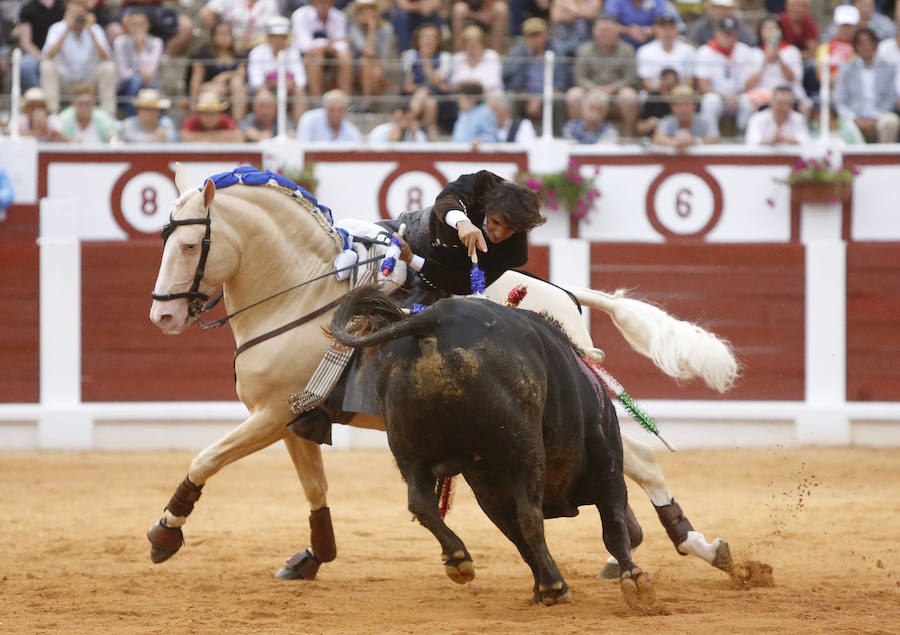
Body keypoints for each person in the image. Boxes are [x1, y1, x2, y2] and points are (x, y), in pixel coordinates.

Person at [383, 169, 546, 301]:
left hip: (432, 279)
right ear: (487, 208)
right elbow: (447, 198)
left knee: (404, 325)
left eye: (510, 229)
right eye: (495, 222)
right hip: (409, 232)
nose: (499, 234)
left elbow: (465, 284)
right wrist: (462, 222)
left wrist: (411, 258)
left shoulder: (515, 253)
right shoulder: (482, 183)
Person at [41, 0, 117, 114]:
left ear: (86, 13)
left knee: (108, 67)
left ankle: (109, 114)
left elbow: (105, 57)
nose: (77, 17)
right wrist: (66, 30)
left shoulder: (95, 29)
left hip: (88, 83)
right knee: (46, 66)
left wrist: (90, 31)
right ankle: (52, 114)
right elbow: (48, 55)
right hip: (65, 82)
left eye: (80, 13)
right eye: (73, 13)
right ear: (66, 13)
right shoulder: (57, 28)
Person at [569, 13, 639, 137]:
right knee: (574, 95)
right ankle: (577, 135)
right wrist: (594, 88)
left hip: (616, 95)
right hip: (590, 93)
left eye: (610, 30)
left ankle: (627, 137)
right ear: (594, 31)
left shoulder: (627, 50)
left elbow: (630, 78)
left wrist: (612, 88)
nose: (606, 34)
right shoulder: (584, 50)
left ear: (617, 31)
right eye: (602, 30)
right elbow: (579, 78)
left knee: (629, 96)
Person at [834, 27, 900, 143]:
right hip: (854, 117)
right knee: (846, 125)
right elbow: (840, 99)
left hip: (880, 116)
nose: (866, 47)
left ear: (875, 45)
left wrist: (875, 117)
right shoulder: (847, 68)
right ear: (855, 47)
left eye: (869, 43)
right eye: (861, 44)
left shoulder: (888, 68)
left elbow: (891, 99)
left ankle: (885, 154)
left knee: (891, 122)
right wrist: (854, 118)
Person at [694, 16, 756, 133]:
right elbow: (703, 85)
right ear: (716, 33)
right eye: (724, 33)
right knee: (710, 101)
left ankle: (742, 135)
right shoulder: (705, 51)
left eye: (731, 33)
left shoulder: (745, 51)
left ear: (736, 34)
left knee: (747, 101)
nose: (728, 37)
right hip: (716, 96)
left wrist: (736, 96)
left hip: (738, 96)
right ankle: (711, 136)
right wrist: (724, 97)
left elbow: (749, 83)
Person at [503, 18, 564, 122]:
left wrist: (540, 99)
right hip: (524, 95)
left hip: (549, 93)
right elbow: (510, 79)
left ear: (545, 35)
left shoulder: (557, 52)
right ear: (525, 37)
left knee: (558, 98)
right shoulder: (517, 53)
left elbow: (560, 82)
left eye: (538, 34)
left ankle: (559, 131)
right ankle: (513, 130)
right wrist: (527, 96)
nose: (535, 39)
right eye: (531, 35)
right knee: (511, 97)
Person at [744, 14, 806, 113]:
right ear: (760, 32)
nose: (770, 32)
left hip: (787, 96)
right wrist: (765, 62)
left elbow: (793, 78)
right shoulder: (753, 53)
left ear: (780, 31)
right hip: (760, 98)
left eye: (774, 28)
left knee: (805, 105)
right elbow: (748, 85)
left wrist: (778, 58)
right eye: (766, 28)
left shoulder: (792, 51)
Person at [247, 16, 307, 120]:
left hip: (289, 90)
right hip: (264, 89)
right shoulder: (257, 52)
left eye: (282, 36)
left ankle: (299, 126)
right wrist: (274, 83)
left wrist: (290, 84)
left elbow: (301, 79)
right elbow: (256, 81)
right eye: (274, 36)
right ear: (268, 37)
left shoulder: (294, 52)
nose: (278, 40)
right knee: (263, 94)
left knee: (299, 91)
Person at [187, 19, 248, 120]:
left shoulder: (239, 54)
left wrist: (225, 76)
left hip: (232, 88)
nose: (224, 37)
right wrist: (193, 101)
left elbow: (241, 75)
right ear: (213, 36)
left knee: (237, 83)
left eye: (227, 33)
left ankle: (238, 121)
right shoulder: (203, 54)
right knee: (216, 90)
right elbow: (196, 79)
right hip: (208, 87)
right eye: (220, 33)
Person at [292, 0, 353, 97]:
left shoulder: (339, 16)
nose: (324, 4)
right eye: (321, 1)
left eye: (328, 1)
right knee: (315, 56)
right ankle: (317, 100)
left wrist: (324, 45)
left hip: (331, 55)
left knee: (345, 55)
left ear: (332, 3)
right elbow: (305, 46)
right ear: (313, 2)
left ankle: (345, 99)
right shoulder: (300, 14)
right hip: (304, 58)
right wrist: (328, 44)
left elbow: (342, 44)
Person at [401, 23, 452, 138]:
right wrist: (423, 89)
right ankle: (430, 131)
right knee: (429, 102)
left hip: (440, 98)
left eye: (433, 37)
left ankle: (408, 119)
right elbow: (407, 86)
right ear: (418, 39)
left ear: (438, 40)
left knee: (426, 92)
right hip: (417, 96)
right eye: (425, 36)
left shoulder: (444, 57)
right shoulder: (410, 56)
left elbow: (437, 81)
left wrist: (425, 61)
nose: (429, 40)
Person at [348, 0, 396, 113]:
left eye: (369, 9)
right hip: (358, 70)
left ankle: (368, 105)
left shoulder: (386, 28)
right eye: (362, 11)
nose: (366, 13)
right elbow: (367, 51)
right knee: (366, 62)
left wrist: (372, 28)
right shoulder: (354, 29)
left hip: (380, 67)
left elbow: (383, 56)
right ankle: (371, 106)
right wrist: (372, 30)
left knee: (373, 70)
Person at [113, 9, 163, 117]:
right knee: (136, 80)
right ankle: (131, 118)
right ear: (127, 26)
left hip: (148, 83)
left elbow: (151, 72)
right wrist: (139, 71)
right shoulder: (120, 42)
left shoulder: (156, 42)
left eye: (141, 24)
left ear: (148, 25)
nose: (137, 28)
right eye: (134, 24)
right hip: (125, 86)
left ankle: (156, 119)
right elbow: (123, 73)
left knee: (152, 85)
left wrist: (141, 49)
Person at [14, 0, 66, 89]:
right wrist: (41, 57)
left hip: (59, 53)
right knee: (26, 66)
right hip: (36, 52)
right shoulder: (28, 9)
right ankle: (39, 93)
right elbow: (25, 41)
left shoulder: (63, 7)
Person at [636, 14, 695, 91]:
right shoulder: (645, 51)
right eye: (663, 28)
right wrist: (663, 90)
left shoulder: (688, 50)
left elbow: (689, 80)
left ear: (676, 30)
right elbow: (647, 82)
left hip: (681, 94)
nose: (667, 31)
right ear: (656, 30)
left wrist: (677, 92)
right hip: (654, 93)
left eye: (671, 27)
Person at [652, 84, 720, 150]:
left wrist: (694, 141)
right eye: (678, 104)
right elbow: (657, 138)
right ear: (672, 107)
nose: (682, 109)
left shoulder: (706, 121)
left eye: (687, 104)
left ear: (694, 106)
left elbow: (715, 139)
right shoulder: (667, 121)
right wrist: (674, 142)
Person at [199, 0, 280, 54]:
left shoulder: (270, 3)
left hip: (260, 46)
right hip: (232, 46)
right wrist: (220, 37)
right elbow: (205, 13)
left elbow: (276, 27)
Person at [744, 85, 810, 145]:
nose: (783, 106)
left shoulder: (799, 119)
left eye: (787, 102)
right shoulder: (757, 118)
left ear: (792, 104)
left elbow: (805, 141)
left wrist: (785, 139)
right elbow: (752, 141)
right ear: (771, 102)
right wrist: (771, 141)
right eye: (779, 102)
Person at [604, 0, 683, 49]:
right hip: (622, 41)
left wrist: (646, 31)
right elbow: (608, 23)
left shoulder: (658, 1)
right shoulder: (615, 1)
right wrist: (629, 31)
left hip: (651, 40)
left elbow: (662, 24)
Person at [450, 25, 504, 94]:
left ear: (482, 44)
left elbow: (493, 82)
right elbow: (454, 82)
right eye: (468, 45)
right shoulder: (458, 57)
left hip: (489, 96)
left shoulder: (492, 56)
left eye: (474, 45)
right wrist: (474, 84)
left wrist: (468, 84)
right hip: (464, 96)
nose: (471, 48)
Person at [817, 5, 860, 90]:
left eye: (850, 26)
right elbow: (821, 76)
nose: (846, 29)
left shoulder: (862, 49)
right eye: (843, 25)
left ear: (856, 27)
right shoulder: (824, 48)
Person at [296, 89, 363, 141]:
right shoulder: (310, 120)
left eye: (340, 110)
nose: (336, 114)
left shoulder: (351, 131)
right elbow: (302, 146)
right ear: (325, 108)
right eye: (332, 109)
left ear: (345, 111)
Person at [685, 0, 755, 48]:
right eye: (718, 7)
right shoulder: (699, 28)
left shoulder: (740, 27)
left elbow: (751, 45)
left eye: (727, 8)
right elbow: (691, 47)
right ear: (710, 9)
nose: (722, 11)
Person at [823, 0, 896, 43]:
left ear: (873, 6)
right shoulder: (844, 18)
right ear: (855, 4)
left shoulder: (885, 23)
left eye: (868, 5)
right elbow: (826, 40)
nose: (865, 9)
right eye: (862, 4)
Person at [636, 66, 677, 136]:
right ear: (660, 80)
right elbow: (639, 128)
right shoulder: (653, 98)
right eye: (665, 80)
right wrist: (648, 124)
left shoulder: (680, 99)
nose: (668, 83)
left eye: (671, 85)